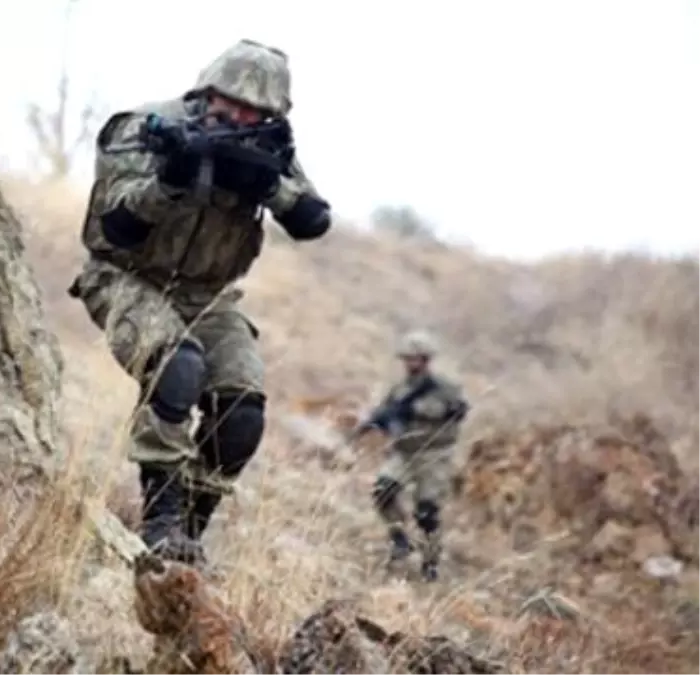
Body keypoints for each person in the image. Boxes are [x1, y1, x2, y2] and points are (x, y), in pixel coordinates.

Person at [67, 39, 333, 564]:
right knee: (177, 367)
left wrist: (269, 186)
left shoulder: (270, 147)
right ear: (206, 92)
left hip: (208, 296)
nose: (238, 116)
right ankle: (160, 517)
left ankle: (190, 528)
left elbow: (314, 220)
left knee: (242, 409)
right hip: (125, 277)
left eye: (253, 111)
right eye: (229, 103)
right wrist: (171, 181)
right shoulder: (144, 127)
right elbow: (115, 229)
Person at [348, 330, 470, 581]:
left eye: (416, 359)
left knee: (427, 511)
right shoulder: (400, 389)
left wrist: (425, 410)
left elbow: (458, 411)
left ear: (426, 360)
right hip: (404, 453)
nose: (410, 363)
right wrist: (371, 425)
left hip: (434, 455)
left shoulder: (444, 388)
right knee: (383, 490)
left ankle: (430, 561)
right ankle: (399, 538)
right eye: (407, 359)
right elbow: (384, 412)